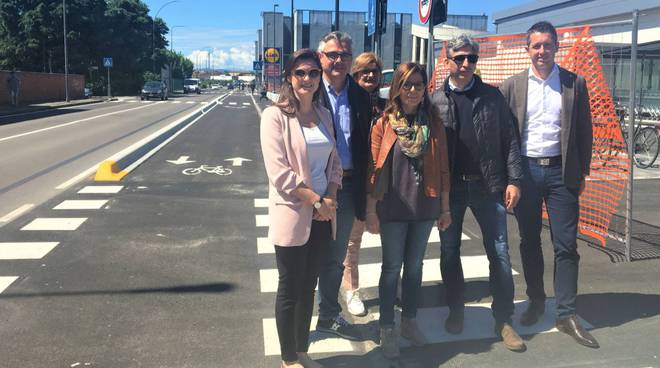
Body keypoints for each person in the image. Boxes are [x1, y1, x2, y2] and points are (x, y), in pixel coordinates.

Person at [500, 21, 597, 348]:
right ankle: (537, 300)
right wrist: (508, 177)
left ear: (557, 47)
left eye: (547, 45)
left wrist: (581, 172)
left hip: (561, 174)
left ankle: (566, 312)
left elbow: (585, 131)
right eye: (536, 46)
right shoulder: (511, 87)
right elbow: (503, 136)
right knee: (528, 241)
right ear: (528, 50)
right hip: (524, 174)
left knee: (566, 245)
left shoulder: (574, 83)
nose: (542, 51)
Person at [431, 34, 525, 351]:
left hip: (488, 186)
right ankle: (456, 309)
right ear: (448, 59)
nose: (466, 64)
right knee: (449, 251)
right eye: (459, 58)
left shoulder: (492, 97)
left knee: (499, 253)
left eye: (472, 58)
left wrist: (514, 180)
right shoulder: (435, 100)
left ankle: (503, 318)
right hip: (451, 190)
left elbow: (510, 140)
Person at [260, 48, 342, 368]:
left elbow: (334, 164)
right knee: (290, 288)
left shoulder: (324, 114)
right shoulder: (275, 116)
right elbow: (280, 174)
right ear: (289, 78)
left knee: (309, 288)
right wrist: (317, 201)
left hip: (324, 213)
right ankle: (287, 358)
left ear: (320, 78)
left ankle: (302, 350)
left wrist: (331, 196)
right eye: (300, 73)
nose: (307, 79)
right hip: (295, 215)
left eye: (313, 73)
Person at [366, 62, 452, 359]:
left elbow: (443, 169)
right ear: (397, 89)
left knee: (415, 268)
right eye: (407, 84)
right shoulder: (383, 123)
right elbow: (373, 169)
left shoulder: (434, 122)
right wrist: (371, 211)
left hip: (425, 207)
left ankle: (409, 321)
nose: (413, 90)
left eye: (418, 84)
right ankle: (387, 326)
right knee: (391, 269)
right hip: (392, 207)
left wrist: (445, 208)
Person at [315, 31, 373, 340]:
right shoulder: (309, 92)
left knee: (337, 255)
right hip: (314, 188)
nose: (339, 60)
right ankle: (296, 315)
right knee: (307, 252)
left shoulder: (361, 96)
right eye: (333, 54)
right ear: (321, 57)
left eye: (345, 56)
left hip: (349, 187)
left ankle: (326, 314)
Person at [338, 52, 388, 317]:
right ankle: (351, 289)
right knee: (352, 241)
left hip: (386, 183)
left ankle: (392, 286)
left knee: (391, 239)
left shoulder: (389, 106)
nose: (369, 76)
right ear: (354, 76)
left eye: (374, 72)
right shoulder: (346, 104)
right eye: (363, 72)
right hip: (357, 183)